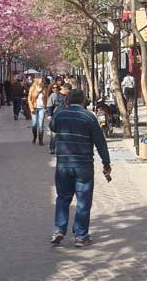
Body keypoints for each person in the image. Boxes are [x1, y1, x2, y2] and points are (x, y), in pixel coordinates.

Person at [48, 89, 111, 247]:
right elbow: (100, 141)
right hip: (83, 165)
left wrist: (63, 106)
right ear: (84, 101)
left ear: (68, 100)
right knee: (83, 200)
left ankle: (59, 230)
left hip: (63, 164)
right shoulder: (89, 117)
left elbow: (52, 126)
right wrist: (106, 163)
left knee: (63, 197)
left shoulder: (61, 114)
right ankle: (81, 235)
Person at [47, 83, 71, 154]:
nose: (68, 93)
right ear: (65, 89)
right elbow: (49, 105)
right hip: (56, 116)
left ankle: (64, 148)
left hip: (66, 116)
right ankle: (52, 148)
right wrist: (49, 115)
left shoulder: (69, 97)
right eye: (68, 91)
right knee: (54, 134)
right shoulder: (54, 95)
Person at [28, 78, 49, 145]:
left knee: (41, 125)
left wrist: (45, 107)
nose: (42, 82)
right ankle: (35, 137)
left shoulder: (44, 89)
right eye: (41, 81)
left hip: (41, 108)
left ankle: (40, 140)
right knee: (34, 124)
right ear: (37, 81)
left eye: (42, 81)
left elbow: (46, 98)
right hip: (34, 108)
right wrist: (31, 108)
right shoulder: (32, 88)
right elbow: (29, 99)